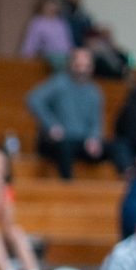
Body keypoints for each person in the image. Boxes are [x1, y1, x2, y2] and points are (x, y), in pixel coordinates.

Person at [26, 47, 111, 181]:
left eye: (86, 66)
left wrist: (94, 138)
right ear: (71, 64)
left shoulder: (94, 91)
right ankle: (67, 185)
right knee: (64, 147)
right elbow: (34, 99)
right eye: (78, 65)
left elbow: (96, 120)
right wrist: (51, 125)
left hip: (81, 142)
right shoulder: (58, 83)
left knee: (116, 148)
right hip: (58, 141)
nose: (82, 69)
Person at [20, 0, 74, 70]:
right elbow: (30, 45)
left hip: (66, 60)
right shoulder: (37, 23)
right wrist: (25, 61)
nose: (52, 7)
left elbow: (68, 44)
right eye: (48, 5)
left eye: (54, 4)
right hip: (48, 61)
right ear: (42, 6)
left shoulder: (61, 23)